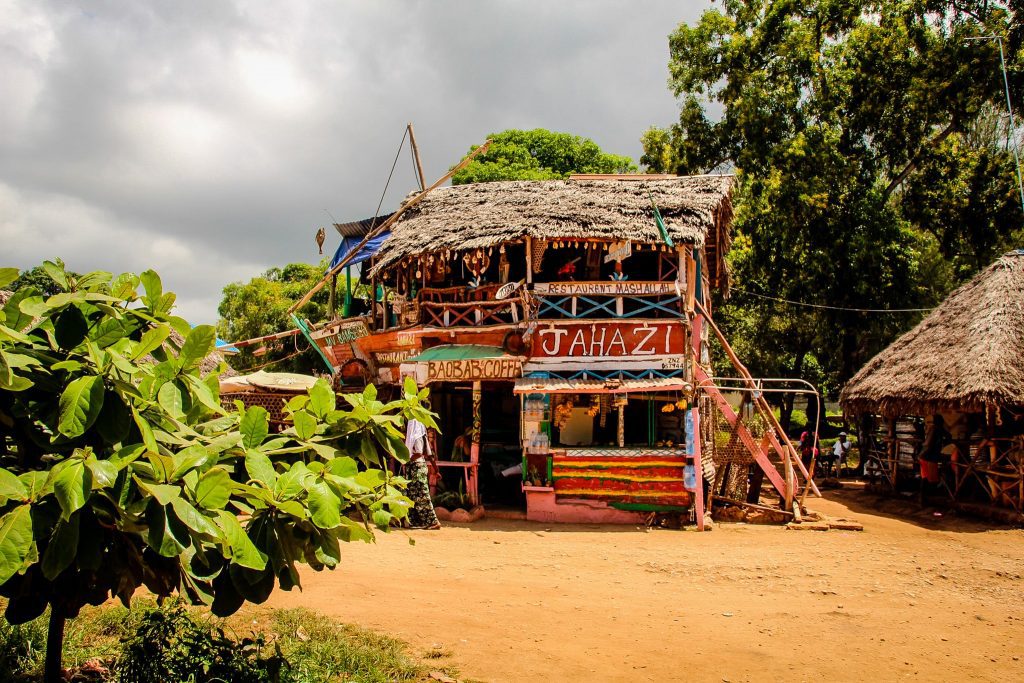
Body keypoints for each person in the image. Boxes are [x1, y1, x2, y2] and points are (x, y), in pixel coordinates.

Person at [404, 417, 441, 530]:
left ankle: (433, 521)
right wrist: (436, 470)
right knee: (412, 495)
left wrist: (406, 459)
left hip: (416, 467)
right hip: (418, 467)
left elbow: (419, 453)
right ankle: (415, 521)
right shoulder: (423, 436)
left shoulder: (416, 437)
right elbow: (430, 455)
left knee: (422, 495)